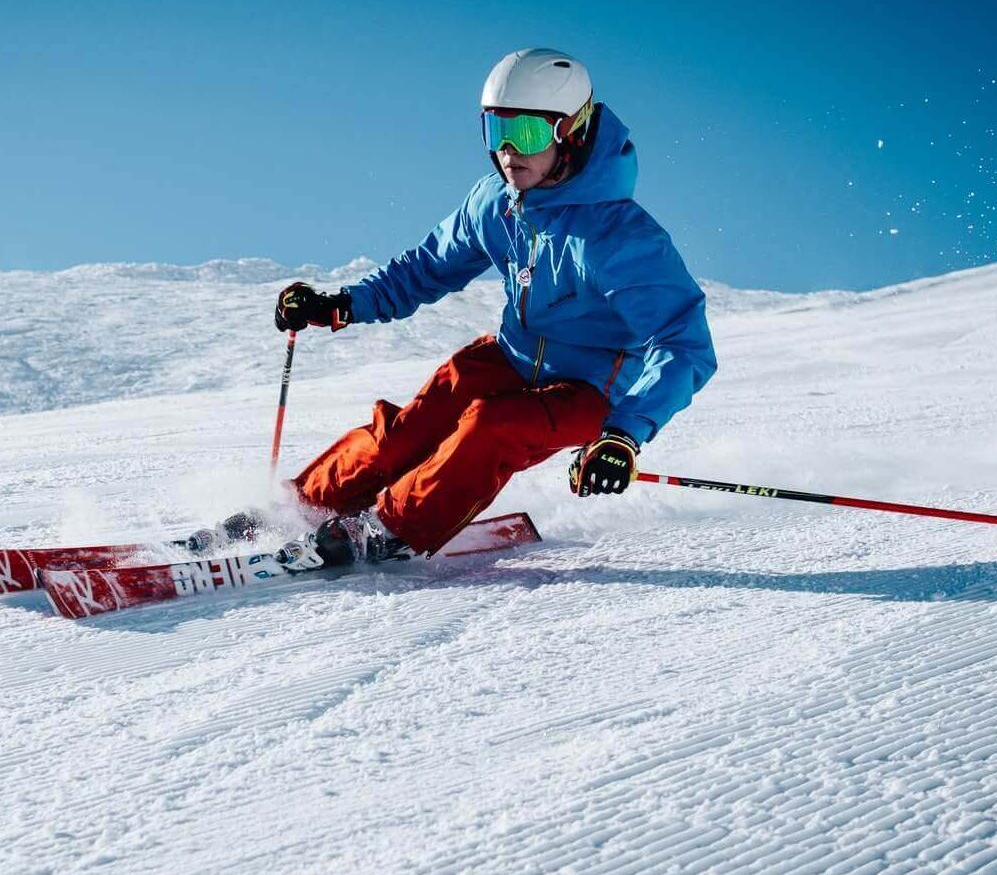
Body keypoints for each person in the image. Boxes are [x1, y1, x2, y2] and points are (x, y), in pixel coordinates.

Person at [273, 47, 716, 566]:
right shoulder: (495, 202)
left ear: (570, 131)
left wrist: (624, 434)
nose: (508, 151)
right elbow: (425, 268)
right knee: (411, 429)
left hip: (592, 390)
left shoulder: (620, 238)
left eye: (525, 133)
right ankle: (298, 507)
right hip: (510, 356)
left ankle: (386, 529)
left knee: (493, 425)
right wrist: (341, 304)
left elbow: (683, 345)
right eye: (494, 131)